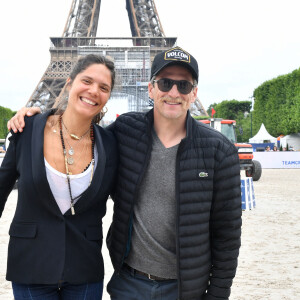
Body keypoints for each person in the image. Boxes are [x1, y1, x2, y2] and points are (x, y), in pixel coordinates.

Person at [8, 46, 242, 300]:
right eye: (165, 83)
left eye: (183, 86)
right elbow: (78, 123)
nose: (173, 92)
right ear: (151, 88)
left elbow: (227, 235)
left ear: (194, 93)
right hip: (129, 284)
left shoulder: (219, 150)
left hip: (184, 289)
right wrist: (34, 118)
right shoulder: (124, 132)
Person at [1, 54, 118, 299]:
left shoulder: (111, 143)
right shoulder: (27, 130)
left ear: (108, 96)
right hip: (31, 265)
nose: (94, 90)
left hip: (84, 269)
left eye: (103, 87)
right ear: (69, 82)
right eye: (87, 81)